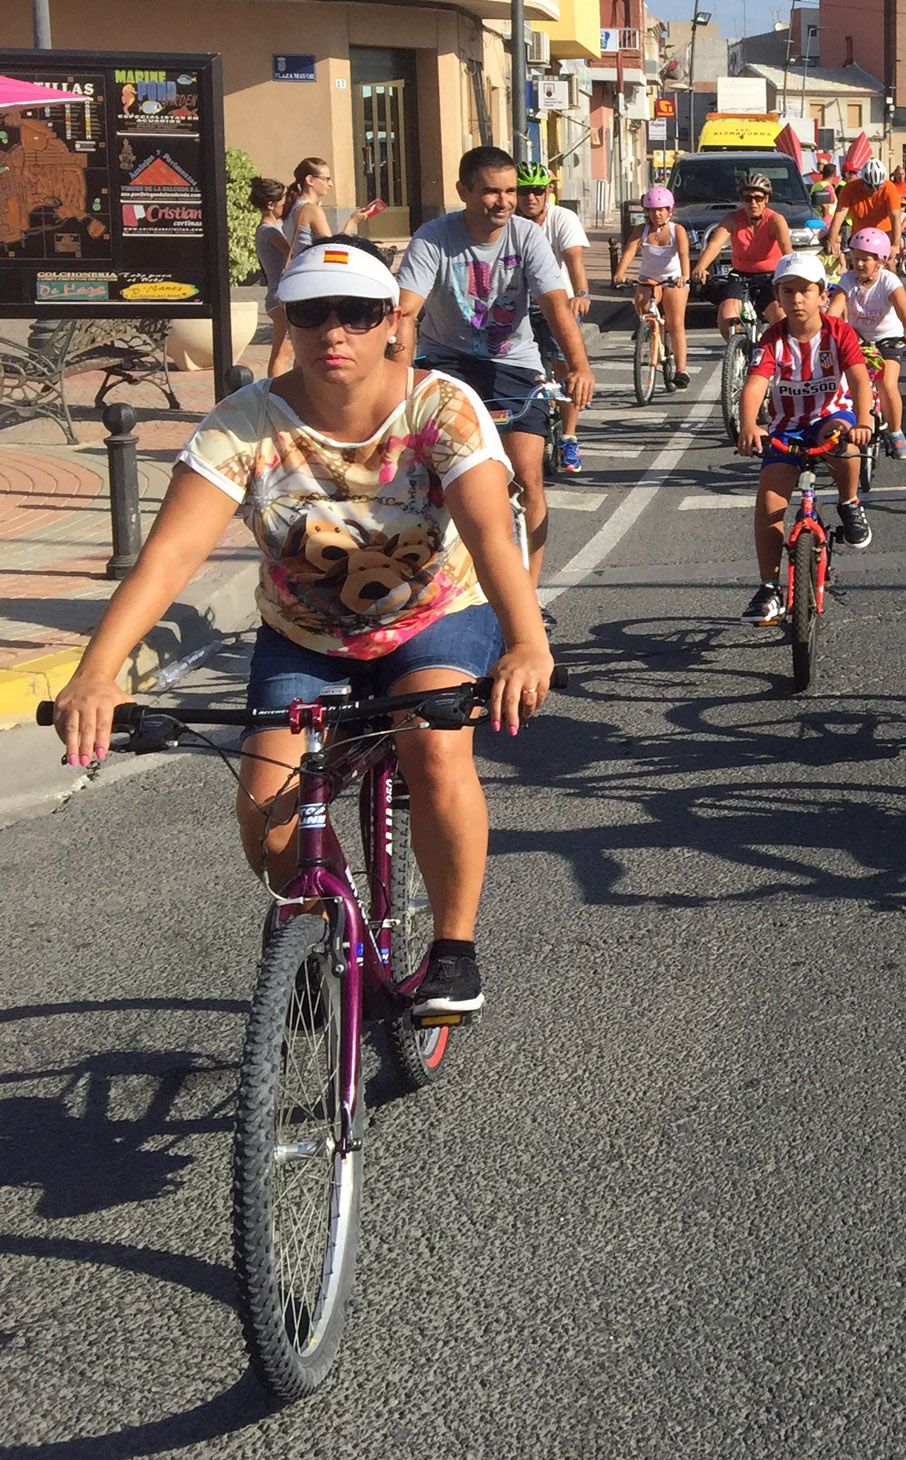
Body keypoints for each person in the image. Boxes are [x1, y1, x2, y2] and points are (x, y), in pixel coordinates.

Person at [50, 236, 556, 1016]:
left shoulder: (439, 406)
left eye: (355, 313)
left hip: (434, 617)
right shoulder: (246, 422)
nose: (334, 332)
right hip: (307, 635)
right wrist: (98, 671)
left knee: (434, 749)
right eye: (313, 312)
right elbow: (169, 557)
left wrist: (528, 642)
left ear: (390, 320)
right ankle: (327, 936)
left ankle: (454, 949)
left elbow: (492, 534)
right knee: (264, 809)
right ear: (286, 319)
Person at [392, 146, 595, 593]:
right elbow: (406, 312)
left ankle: (527, 593)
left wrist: (579, 366)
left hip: (512, 363)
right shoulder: (434, 237)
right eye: (490, 192)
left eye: (510, 191)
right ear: (463, 191)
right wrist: (395, 386)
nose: (503, 202)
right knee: (434, 478)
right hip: (447, 361)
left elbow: (554, 303)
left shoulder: (527, 236)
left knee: (528, 476)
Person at [737, 252, 876, 626]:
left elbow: (860, 379)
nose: (796, 299)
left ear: (822, 296)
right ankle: (768, 588)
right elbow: (754, 386)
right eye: (788, 291)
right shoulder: (772, 339)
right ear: (778, 297)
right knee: (769, 501)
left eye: (805, 291)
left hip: (831, 416)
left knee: (842, 440)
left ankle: (848, 502)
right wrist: (749, 424)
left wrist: (863, 420)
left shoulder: (838, 332)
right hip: (786, 426)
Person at [516, 162, 593, 473]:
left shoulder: (563, 218)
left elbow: (574, 259)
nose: (531, 198)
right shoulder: (509, 221)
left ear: (548, 192)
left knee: (567, 368)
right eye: (524, 191)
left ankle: (569, 438)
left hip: (557, 302)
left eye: (537, 191)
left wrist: (581, 294)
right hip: (518, 304)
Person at [830, 226, 906, 459]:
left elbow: (903, 311)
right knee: (843, 381)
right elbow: (834, 312)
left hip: (888, 338)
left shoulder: (889, 282)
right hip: (857, 338)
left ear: (879, 261)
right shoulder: (848, 280)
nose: (859, 264)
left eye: (865, 260)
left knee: (886, 383)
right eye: (855, 259)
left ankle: (896, 432)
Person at [689, 171, 793, 343]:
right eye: (747, 198)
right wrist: (701, 266)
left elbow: (786, 250)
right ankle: (738, 353)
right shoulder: (732, 219)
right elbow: (715, 244)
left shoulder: (775, 220)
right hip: (740, 276)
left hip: (770, 277)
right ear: (741, 200)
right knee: (725, 317)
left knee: (780, 318)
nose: (753, 202)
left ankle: (775, 354)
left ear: (766, 199)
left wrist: (791, 275)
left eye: (758, 198)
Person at [611, 185, 692, 386]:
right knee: (641, 302)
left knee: (675, 323)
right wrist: (619, 273)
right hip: (649, 277)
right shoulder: (642, 230)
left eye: (661, 209)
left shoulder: (677, 230)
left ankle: (681, 370)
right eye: (652, 210)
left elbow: (684, 255)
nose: (656, 214)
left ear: (669, 211)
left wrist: (684, 276)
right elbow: (629, 251)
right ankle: (646, 330)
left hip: (673, 278)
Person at [272, 158, 332, 376]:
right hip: (313, 285)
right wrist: (351, 224)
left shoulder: (292, 209)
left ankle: (288, 396)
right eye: (325, 178)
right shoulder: (311, 210)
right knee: (297, 349)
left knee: (296, 348)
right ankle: (279, 397)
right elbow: (330, 247)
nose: (330, 184)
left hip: (295, 282)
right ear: (310, 180)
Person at [249, 177, 292, 374]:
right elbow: (293, 253)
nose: (285, 206)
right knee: (282, 354)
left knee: (285, 353)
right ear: (270, 204)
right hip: (279, 298)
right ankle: (273, 394)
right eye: (282, 203)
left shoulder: (270, 229)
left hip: (277, 296)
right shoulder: (269, 231)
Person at [827, 159, 906, 261]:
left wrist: (895, 244)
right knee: (857, 263)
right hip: (860, 235)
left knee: (888, 263)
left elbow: (895, 217)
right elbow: (839, 215)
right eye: (870, 186)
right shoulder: (849, 189)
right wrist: (832, 240)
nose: (875, 189)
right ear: (863, 181)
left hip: (884, 234)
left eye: (878, 186)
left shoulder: (889, 188)